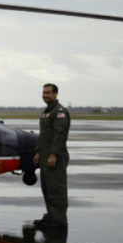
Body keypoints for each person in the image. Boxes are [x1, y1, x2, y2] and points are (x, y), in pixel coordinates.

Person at [34, 83, 71, 231]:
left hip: (55, 156)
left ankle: (59, 221)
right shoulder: (46, 112)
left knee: (56, 188)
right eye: (43, 93)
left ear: (55, 94)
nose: (45, 95)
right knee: (47, 187)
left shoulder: (60, 112)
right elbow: (43, 135)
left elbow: (59, 135)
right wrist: (38, 152)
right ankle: (51, 216)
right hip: (45, 156)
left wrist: (54, 154)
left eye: (48, 93)